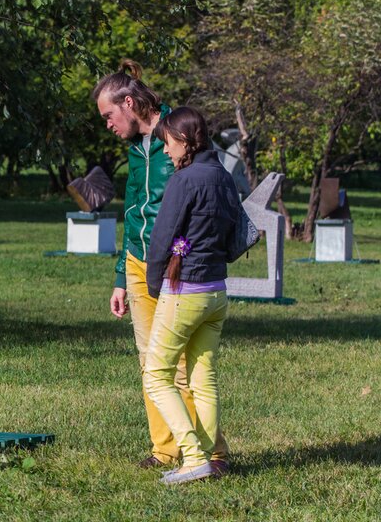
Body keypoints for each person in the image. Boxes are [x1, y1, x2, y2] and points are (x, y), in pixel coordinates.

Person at [91, 60, 228, 471]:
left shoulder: (182, 134)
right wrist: (121, 276)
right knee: (150, 361)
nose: (108, 125)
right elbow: (133, 210)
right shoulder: (135, 149)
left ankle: (210, 453)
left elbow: (212, 188)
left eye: (109, 116)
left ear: (129, 103)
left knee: (185, 366)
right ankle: (165, 448)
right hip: (138, 263)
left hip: (176, 266)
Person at [142, 106, 240, 484]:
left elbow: (161, 240)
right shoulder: (223, 177)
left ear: (184, 141)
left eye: (167, 143)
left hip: (185, 292)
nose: (166, 151)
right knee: (204, 378)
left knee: (156, 376)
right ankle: (212, 460)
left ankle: (194, 456)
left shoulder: (184, 181)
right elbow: (234, 235)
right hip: (217, 291)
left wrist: (155, 288)